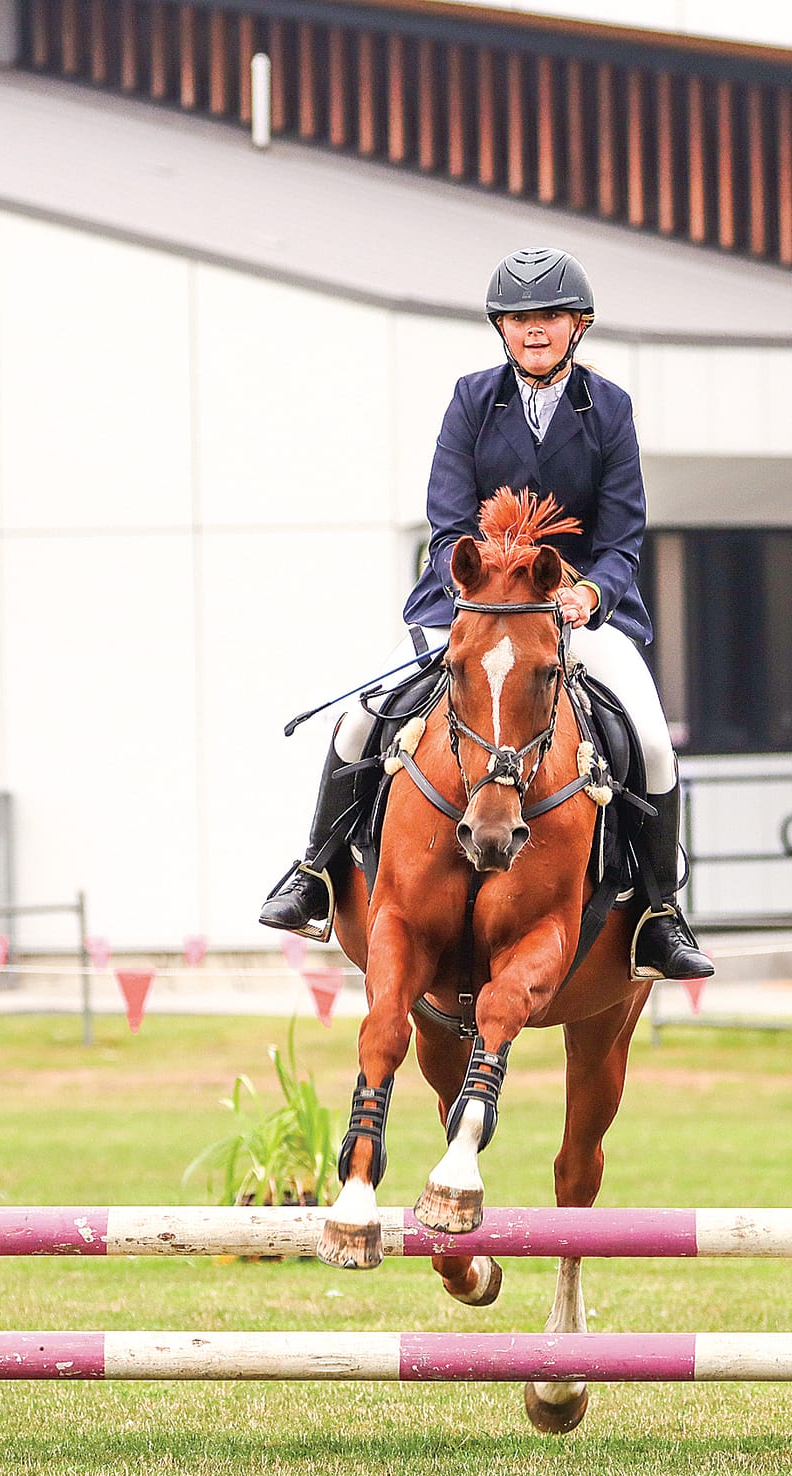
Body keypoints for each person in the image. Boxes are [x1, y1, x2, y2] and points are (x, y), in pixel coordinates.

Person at [258, 246, 712, 981]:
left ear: (578, 325)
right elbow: (446, 520)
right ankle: (313, 873)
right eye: (521, 319)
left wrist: (589, 593)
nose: (535, 331)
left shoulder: (611, 411)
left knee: (653, 745)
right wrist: (474, 589)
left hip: (570, 614)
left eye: (550, 317)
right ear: (502, 328)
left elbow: (623, 533)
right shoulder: (472, 398)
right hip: (470, 606)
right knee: (360, 719)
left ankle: (659, 914)